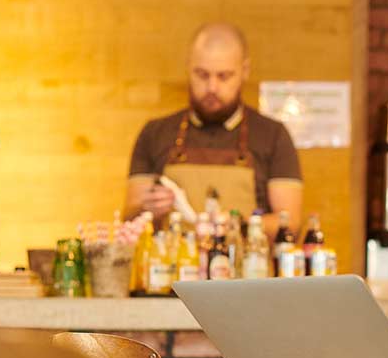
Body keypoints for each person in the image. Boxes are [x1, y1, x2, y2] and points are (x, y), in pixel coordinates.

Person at [125, 22, 302, 233]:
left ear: (244, 71)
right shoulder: (155, 134)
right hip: (175, 264)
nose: (212, 87)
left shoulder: (273, 135)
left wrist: (240, 226)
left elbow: (290, 224)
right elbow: (129, 218)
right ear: (188, 68)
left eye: (224, 76)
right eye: (202, 75)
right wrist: (148, 210)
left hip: (246, 264)